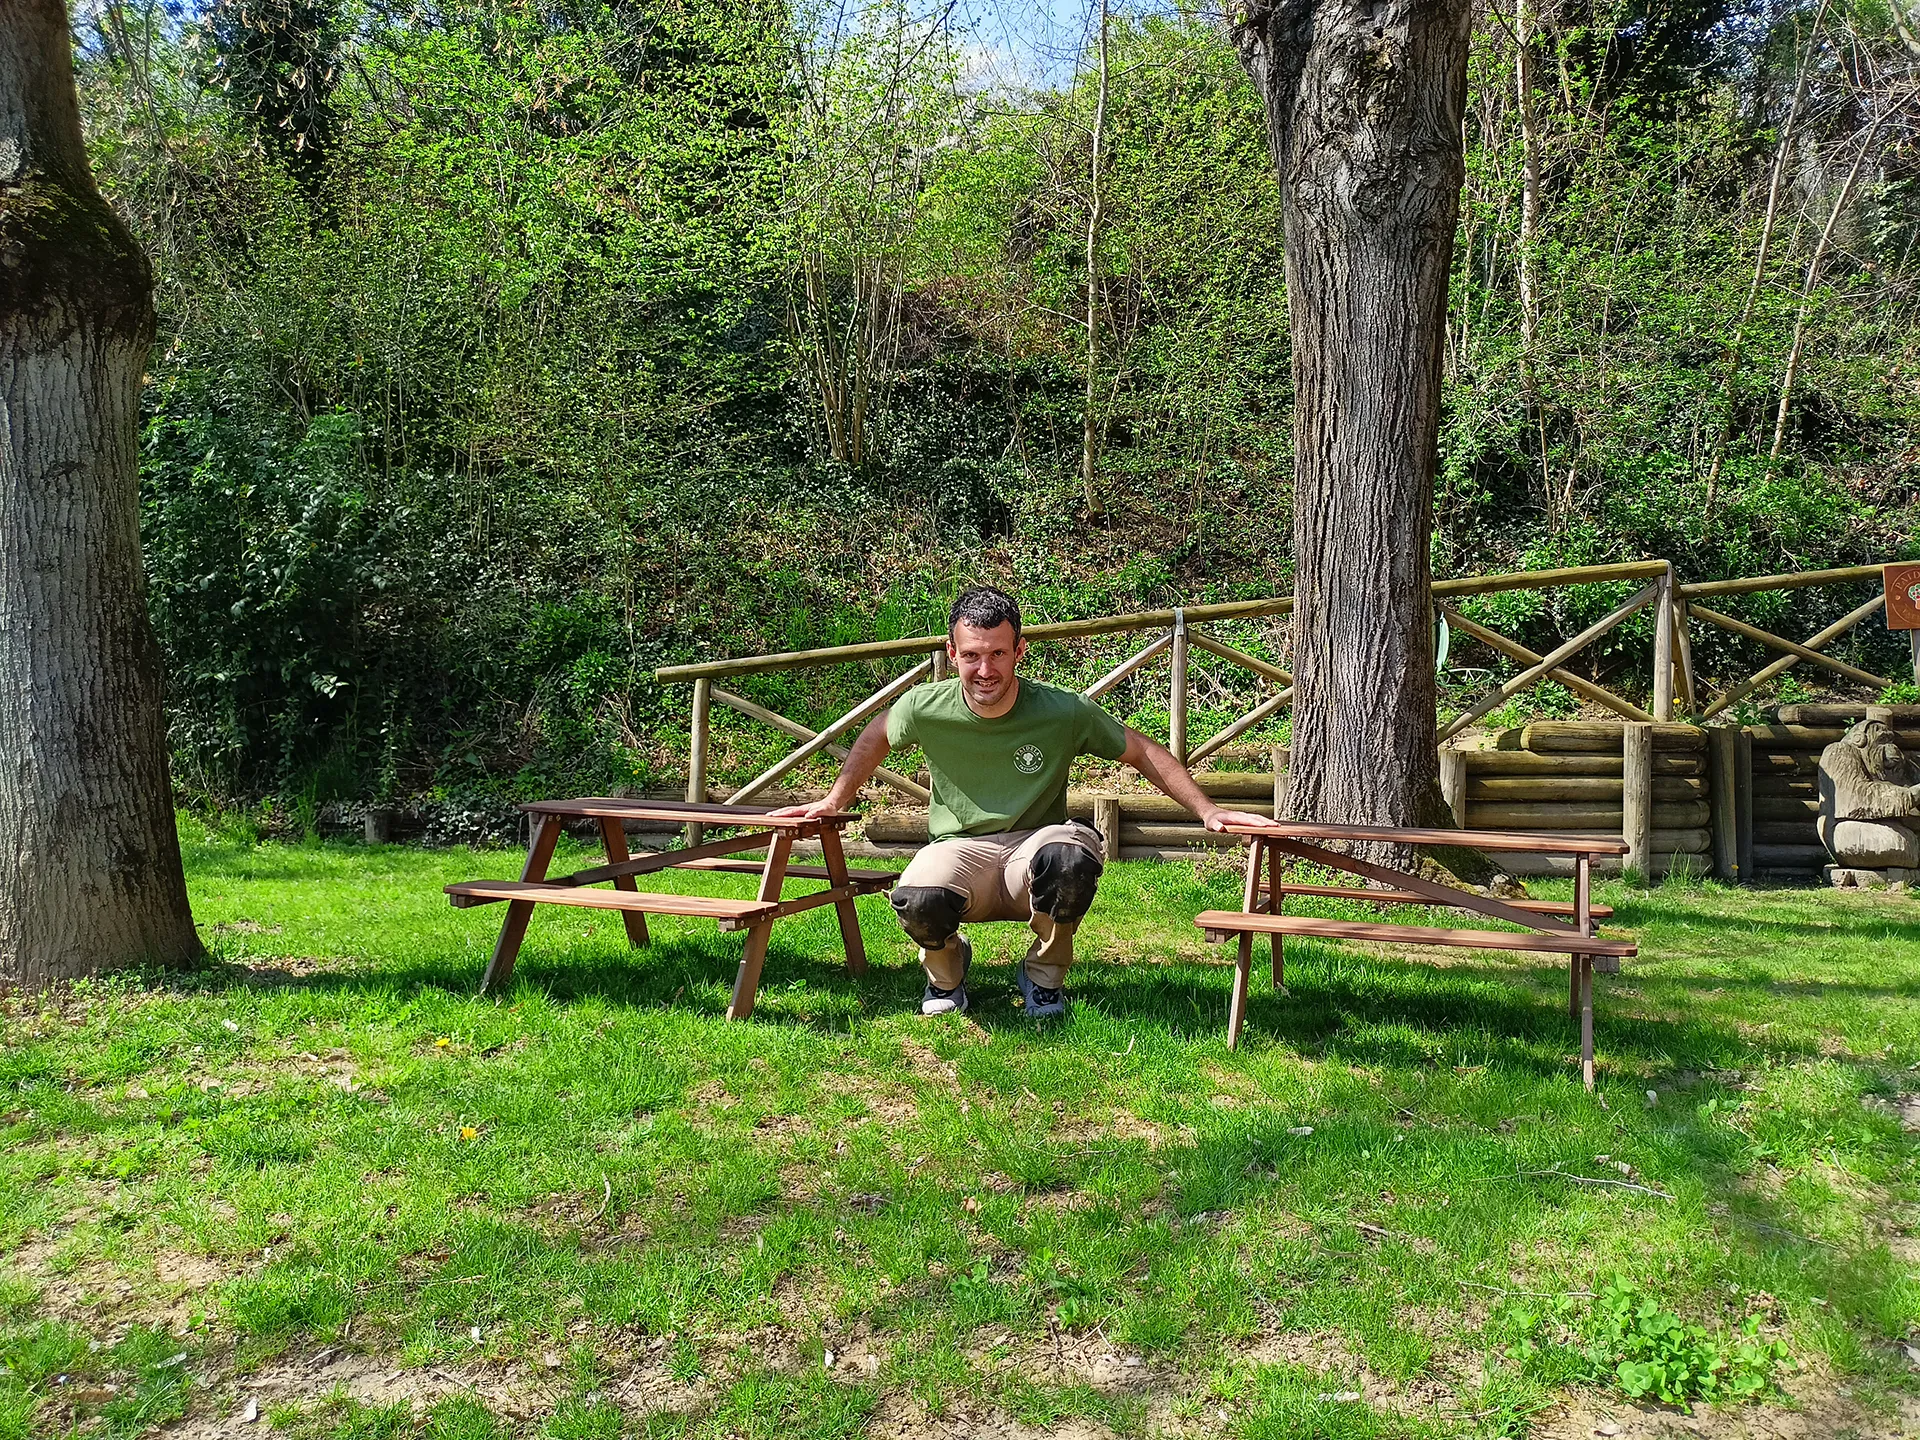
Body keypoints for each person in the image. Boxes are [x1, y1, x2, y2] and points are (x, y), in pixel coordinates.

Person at [770, 586, 1268, 1018]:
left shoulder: (1060, 710)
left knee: (1069, 859)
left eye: (998, 654)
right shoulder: (924, 706)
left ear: (1019, 651)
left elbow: (1140, 749)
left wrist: (1209, 810)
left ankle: (1043, 979)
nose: (984, 669)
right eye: (971, 655)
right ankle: (947, 976)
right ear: (952, 652)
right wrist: (835, 799)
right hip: (962, 849)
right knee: (918, 896)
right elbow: (875, 736)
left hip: (1035, 846)